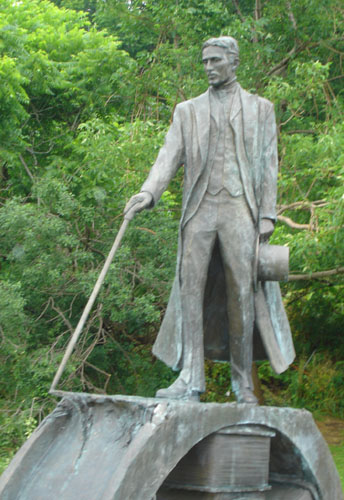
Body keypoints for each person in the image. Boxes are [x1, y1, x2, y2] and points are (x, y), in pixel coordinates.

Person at [124, 36, 295, 404]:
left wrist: (267, 215)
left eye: (215, 60)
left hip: (239, 211)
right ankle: (190, 379)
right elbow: (168, 156)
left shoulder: (261, 109)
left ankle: (243, 383)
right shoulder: (187, 111)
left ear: (234, 62)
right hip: (199, 210)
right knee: (191, 291)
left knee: (241, 294)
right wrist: (148, 192)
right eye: (204, 61)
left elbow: (269, 165)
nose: (208, 67)